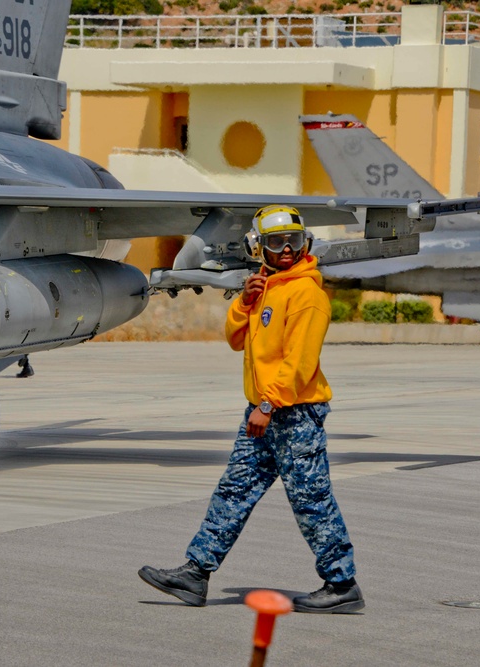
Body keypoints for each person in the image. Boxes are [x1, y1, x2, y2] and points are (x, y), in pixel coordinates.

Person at [138, 205, 363, 614]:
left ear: (304, 242)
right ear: (258, 247)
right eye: (276, 242)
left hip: (292, 413)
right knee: (234, 491)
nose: (286, 250)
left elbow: (300, 363)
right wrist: (245, 301)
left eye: (293, 241)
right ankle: (196, 574)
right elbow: (235, 339)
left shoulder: (307, 294)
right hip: (263, 413)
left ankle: (341, 583)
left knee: (311, 499)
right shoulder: (270, 287)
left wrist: (267, 403)